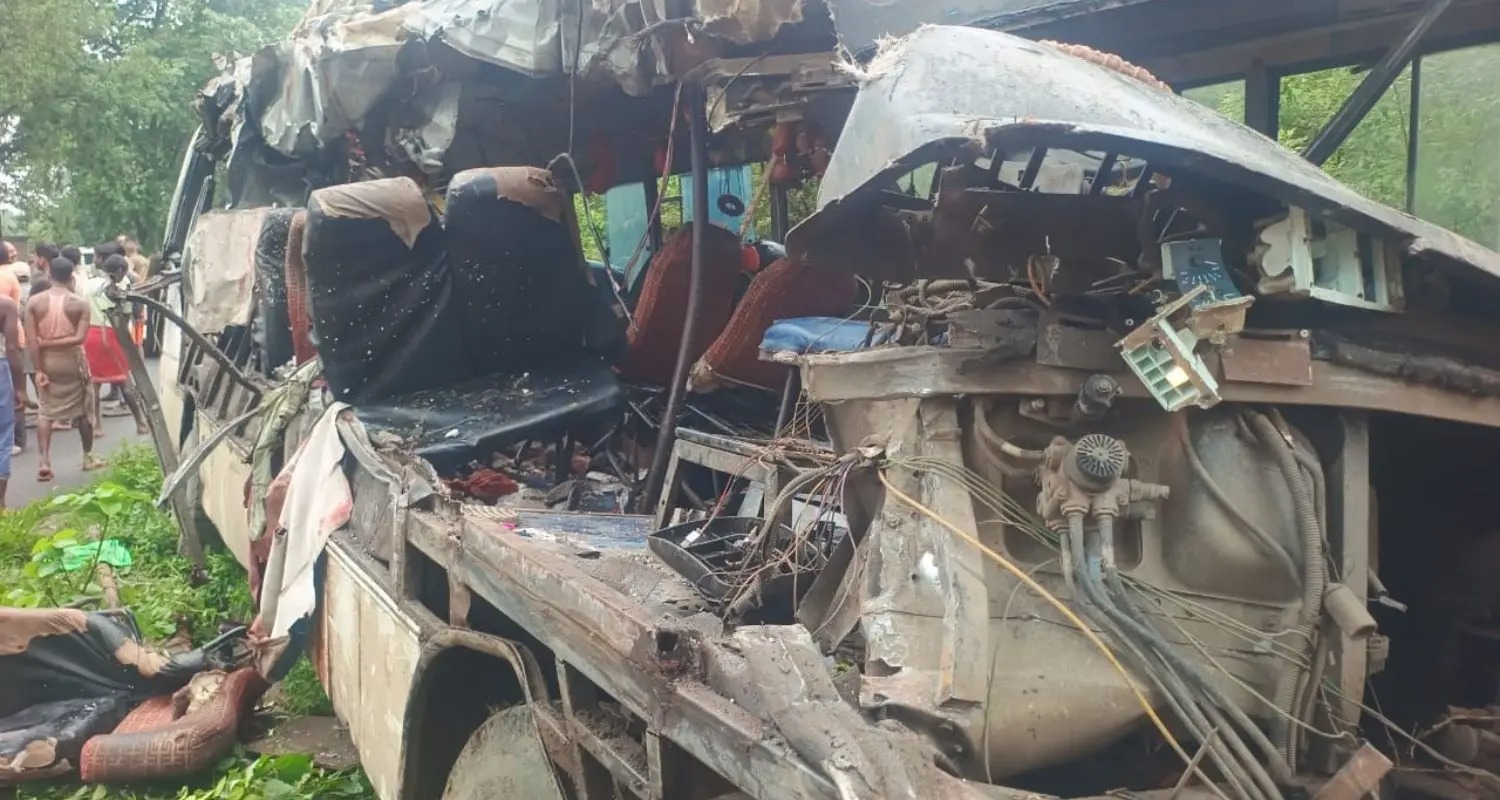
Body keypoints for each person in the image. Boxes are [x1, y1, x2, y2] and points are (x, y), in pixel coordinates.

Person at [26, 257, 103, 481]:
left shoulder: (35, 303)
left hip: (47, 361)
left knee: (46, 411)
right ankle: (88, 457)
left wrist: (39, 368)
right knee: (83, 410)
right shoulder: (79, 303)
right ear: (71, 276)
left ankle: (44, 461)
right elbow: (79, 338)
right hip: (73, 362)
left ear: (49, 275)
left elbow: (32, 340)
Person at [83, 254, 147, 436]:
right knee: (123, 380)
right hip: (114, 335)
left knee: (93, 385)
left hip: (92, 334)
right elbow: (130, 317)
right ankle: (141, 423)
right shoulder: (125, 286)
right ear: (120, 270)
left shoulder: (89, 284)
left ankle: (96, 426)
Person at [0, 244, 26, 456]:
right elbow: (10, 347)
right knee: (12, 399)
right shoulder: (10, 276)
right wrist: (20, 386)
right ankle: (18, 438)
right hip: (9, 338)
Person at [0, 287, 20, 505]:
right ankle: (0, 504)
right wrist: (21, 387)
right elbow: (12, 347)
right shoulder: (5, 305)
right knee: (3, 436)